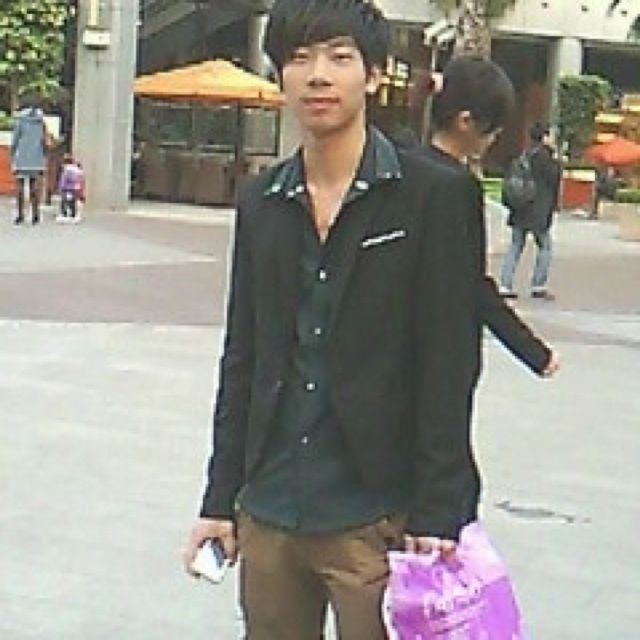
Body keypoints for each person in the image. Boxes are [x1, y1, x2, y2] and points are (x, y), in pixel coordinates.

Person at [183, 1, 503, 637]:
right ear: (280, 75)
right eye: (299, 59)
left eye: (339, 57)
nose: (318, 76)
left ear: (374, 74)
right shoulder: (262, 201)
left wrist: (438, 508)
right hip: (271, 508)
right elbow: (244, 355)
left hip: (377, 515)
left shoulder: (433, 196)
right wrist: (220, 498)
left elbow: (450, 359)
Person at [419, 56, 559, 377]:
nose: (494, 138)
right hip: (440, 352)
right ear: (466, 121)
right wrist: (535, 353)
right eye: (493, 129)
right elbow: (473, 284)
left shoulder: (402, 168)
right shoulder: (458, 187)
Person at [500, 122, 561, 300]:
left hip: (520, 208)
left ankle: (505, 284)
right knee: (545, 247)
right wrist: (556, 159)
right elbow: (554, 179)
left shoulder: (525, 154)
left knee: (515, 246)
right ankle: (538, 284)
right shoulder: (545, 158)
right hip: (537, 211)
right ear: (545, 137)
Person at [10, 99, 48, 225]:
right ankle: (35, 215)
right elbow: (44, 141)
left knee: (19, 187)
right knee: (35, 187)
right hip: (37, 158)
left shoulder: (20, 121)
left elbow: (15, 140)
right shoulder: (41, 122)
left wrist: (12, 154)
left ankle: (20, 215)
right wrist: (44, 156)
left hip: (21, 157)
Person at [56, 154, 85, 222]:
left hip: (67, 188)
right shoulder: (74, 169)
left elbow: (66, 179)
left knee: (65, 201)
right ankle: (72, 214)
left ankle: (65, 214)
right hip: (73, 188)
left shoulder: (68, 169)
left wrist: (61, 187)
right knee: (71, 201)